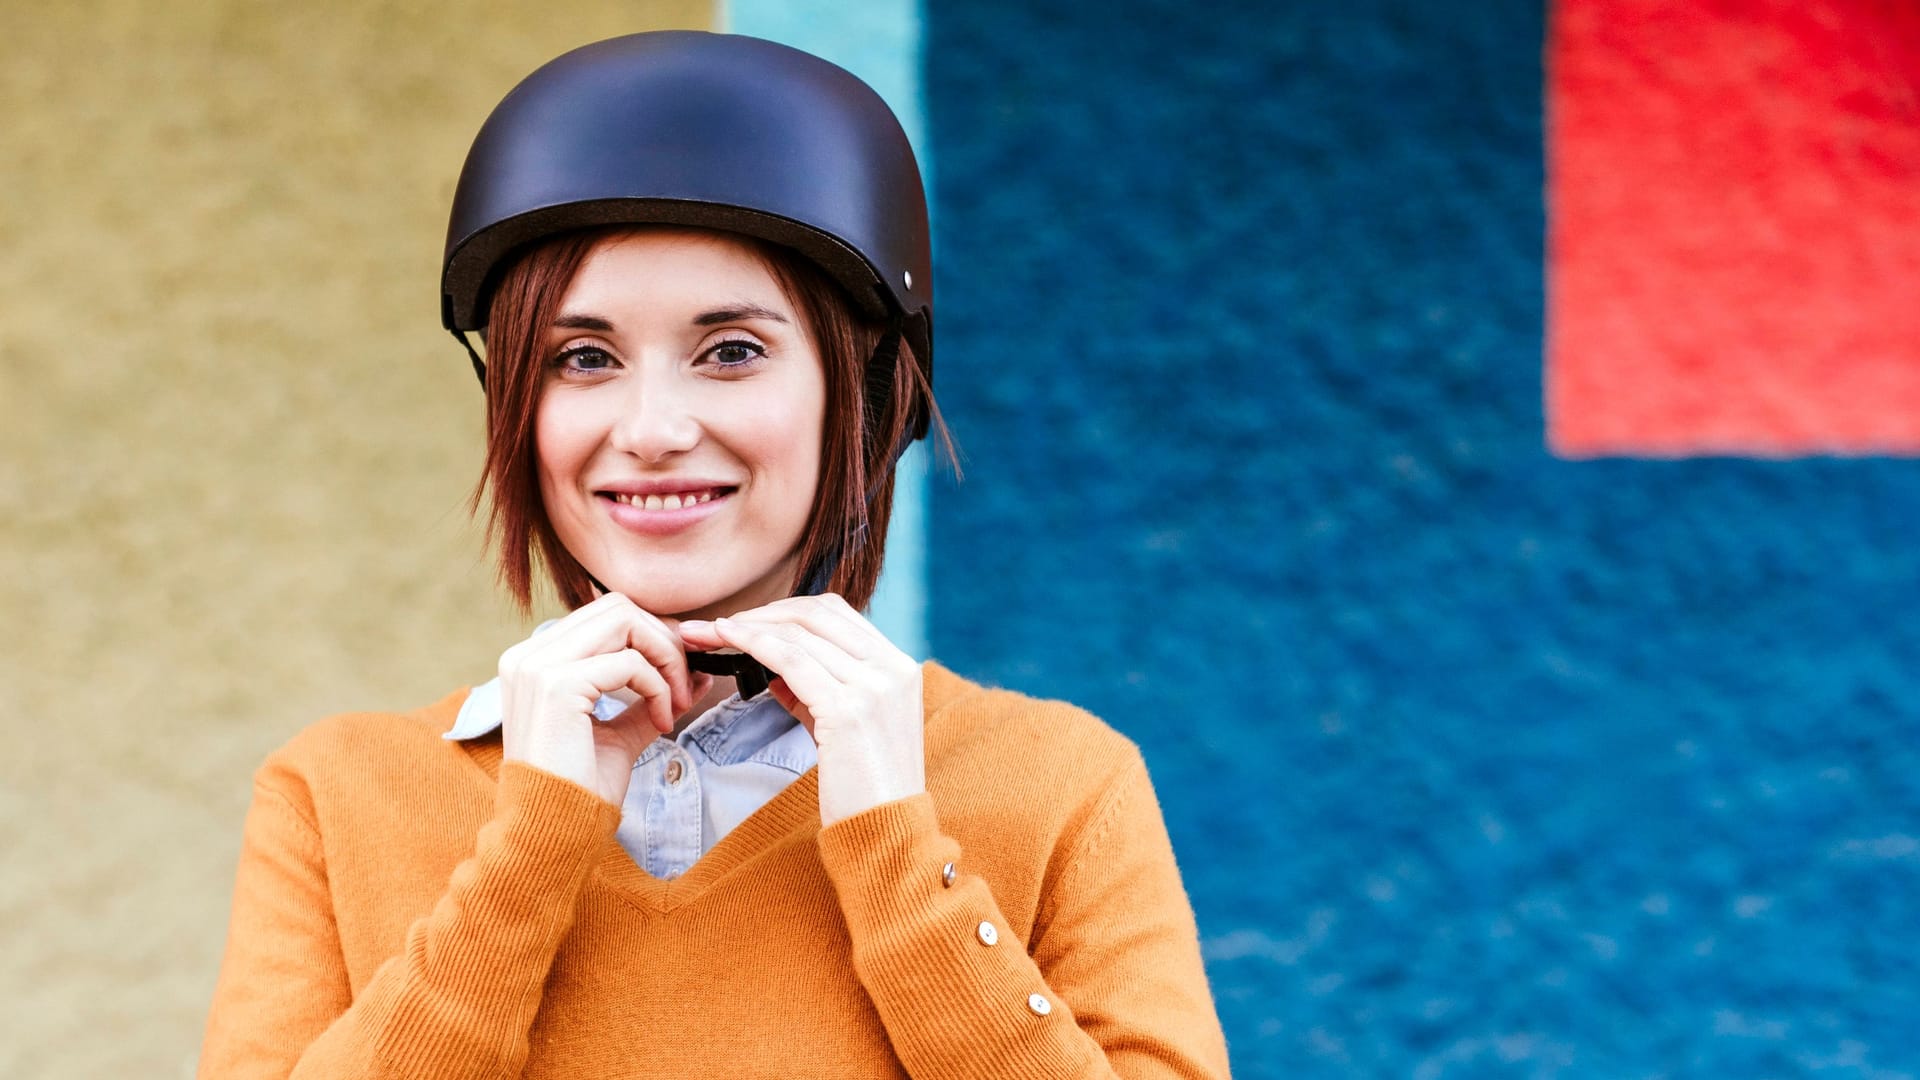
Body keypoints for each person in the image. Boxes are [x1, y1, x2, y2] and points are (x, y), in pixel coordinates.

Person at [199, 31, 1230, 1079]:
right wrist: (529, 854)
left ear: (863, 395)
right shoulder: (335, 796)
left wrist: (894, 845)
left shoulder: (1061, 786)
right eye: (583, 357)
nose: (650, 428)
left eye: (731, 351)